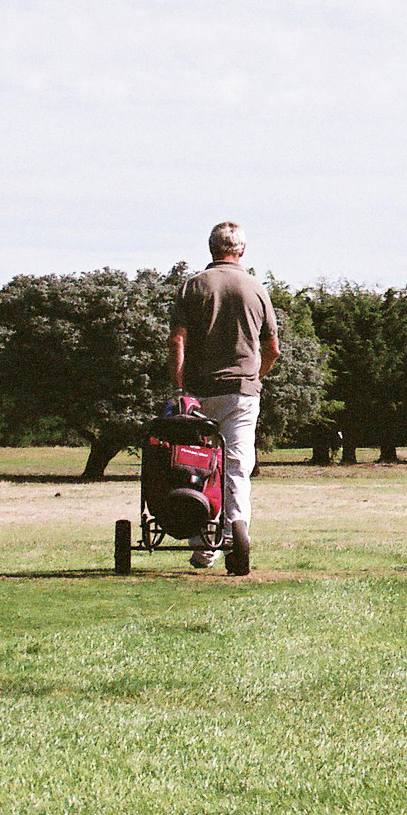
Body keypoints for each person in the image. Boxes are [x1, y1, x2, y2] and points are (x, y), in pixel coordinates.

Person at [169, 221, 279, 573]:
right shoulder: (256, 289)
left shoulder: (194, 286)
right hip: (242, 393)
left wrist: (179, 389)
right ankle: (234, 537)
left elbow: (178, 340)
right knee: (237, 467)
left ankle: (202, 545)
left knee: (195, 466)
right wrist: (254, 378)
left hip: (200, 393)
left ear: (211, 248)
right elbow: (272, 348)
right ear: (242, 250)